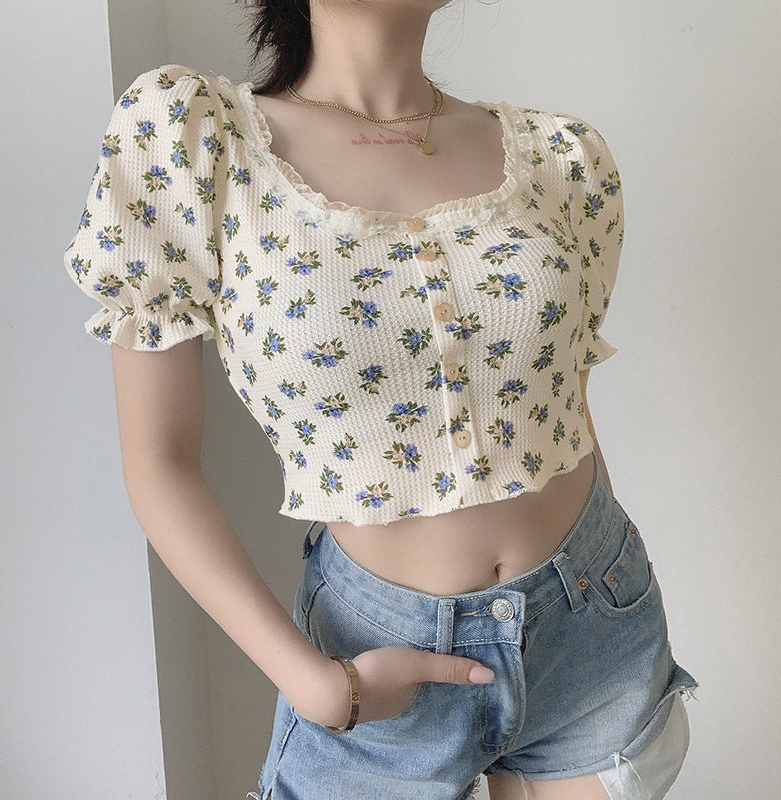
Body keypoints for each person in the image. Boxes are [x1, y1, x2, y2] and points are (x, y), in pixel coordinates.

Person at [61, 1, 699, 798]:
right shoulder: (194, 140)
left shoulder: (559, 157)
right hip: (376, 662)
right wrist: (315, 682)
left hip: (594, 622)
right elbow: (159, 463)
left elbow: (565, 404)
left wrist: (604, 576)